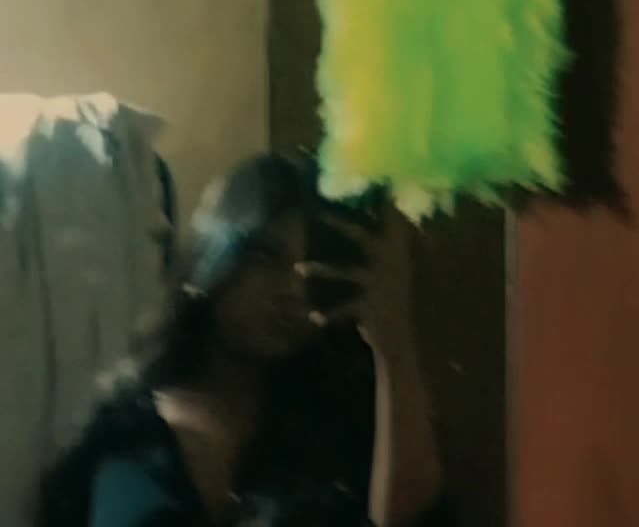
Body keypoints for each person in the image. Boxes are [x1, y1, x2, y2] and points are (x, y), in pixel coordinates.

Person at [32, 154, 453, 526]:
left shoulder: (345, 420)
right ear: (216, 254)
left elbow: (409, 514)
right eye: (266, 257)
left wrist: (393, 341)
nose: (291, 290)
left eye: (309, 270)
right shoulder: (122, 435)